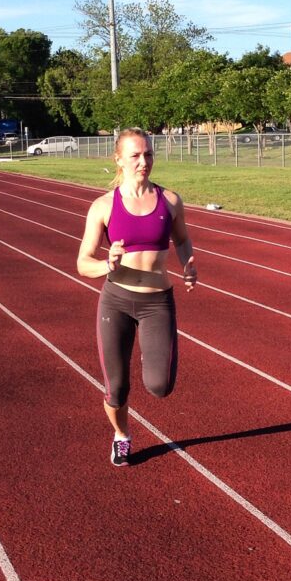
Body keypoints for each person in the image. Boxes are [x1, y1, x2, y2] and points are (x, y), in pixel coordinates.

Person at [77, 128, 197, 466]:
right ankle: (122, 435)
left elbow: (183, 239)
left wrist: (187, 261)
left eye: (148, 154)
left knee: (159, 386)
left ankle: (150, 349)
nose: (143, 162)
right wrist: (106, 263)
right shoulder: (103, 206)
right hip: (116, 301)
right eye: (135, 155)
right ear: (118, 159)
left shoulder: (170, 201)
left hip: (157, 302)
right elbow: (82, 263)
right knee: (116, 389)